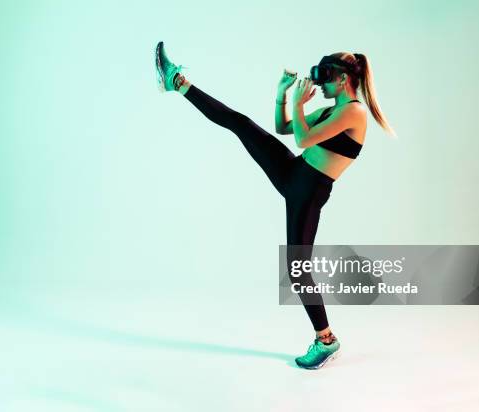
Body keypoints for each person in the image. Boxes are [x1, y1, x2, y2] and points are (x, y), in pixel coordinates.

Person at [154, 41, 395, 369]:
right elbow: (285, 128)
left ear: (342, 79)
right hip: (295, 172)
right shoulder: (333, 109)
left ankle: (326, 340)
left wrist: (298, 103)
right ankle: (177, 82)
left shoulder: (354, 111)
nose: (320, 82)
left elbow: (303, 138)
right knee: (240, 123)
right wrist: (283, 95)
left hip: (308, 191)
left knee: (298, 271)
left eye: (325, 76)